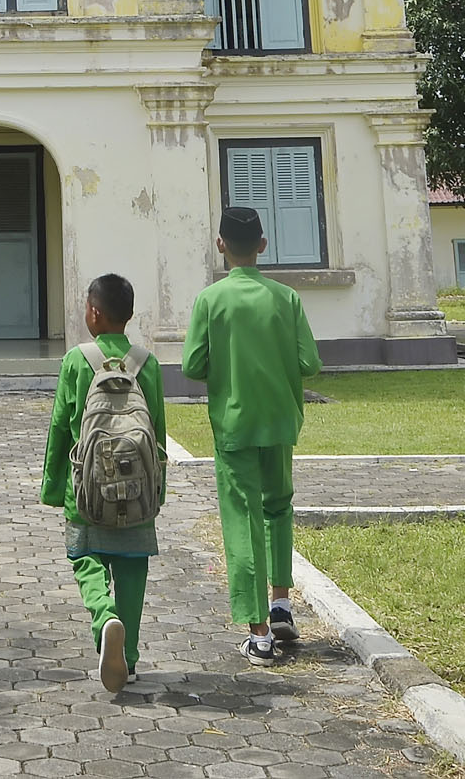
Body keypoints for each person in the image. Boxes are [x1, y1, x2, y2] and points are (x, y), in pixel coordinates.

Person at [181, 203, 321, 661]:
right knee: (278, 508)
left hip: (235, 423)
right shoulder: (287, 298)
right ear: (263, 245)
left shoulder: (211, 300)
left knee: (242, 517)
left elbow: (192, 365)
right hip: (280, 419)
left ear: (221, 246)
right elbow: (310, 363)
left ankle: (258, 631)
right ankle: (281, 602)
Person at [40, 271, 166, 692]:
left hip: (88, 492)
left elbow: (61, 428)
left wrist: (53, 487)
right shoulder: (147, 364)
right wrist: (156, 491)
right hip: (137, 495)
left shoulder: (77, 360)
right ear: (129, 315)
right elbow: (158, 434)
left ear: (94, 313)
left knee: (85, 560)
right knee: (132, 570)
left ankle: (103, 616)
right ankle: (127, 660)